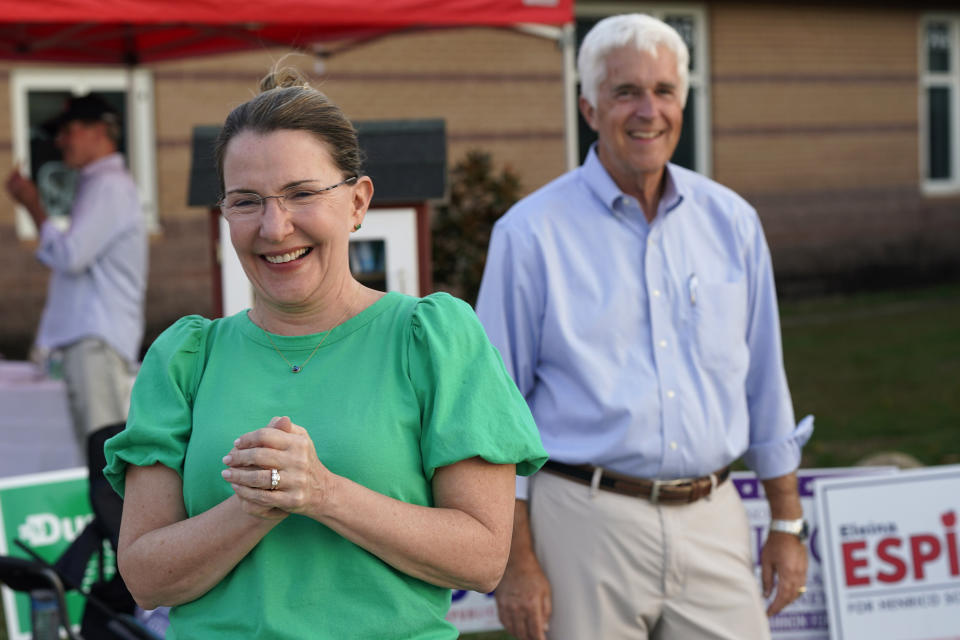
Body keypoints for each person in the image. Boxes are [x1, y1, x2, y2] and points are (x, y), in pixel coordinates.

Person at [102, 68, 547, 639]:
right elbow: (145, 578)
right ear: (225, 216)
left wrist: (324, 492)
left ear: (358, 202)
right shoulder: (186, 358)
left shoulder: (431, 339)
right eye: (246, 201)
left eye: (302, 194)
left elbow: (482, 558)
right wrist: (254, 506)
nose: (274, 226)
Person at [475, 14, 813, 640]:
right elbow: (497, 416)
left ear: (682, 102)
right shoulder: (529, 235)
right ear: (589, 107)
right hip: (583, 522)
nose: (647, 110)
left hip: (715, 516)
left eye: (663, 91)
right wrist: (517, 562)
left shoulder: (733, 223)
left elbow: (766, 382)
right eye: (625, 92)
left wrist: (787, 524)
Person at [5, 93, 148, 455]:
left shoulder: (109, 185)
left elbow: (70, 256)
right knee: (98, 446)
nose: (60, 141)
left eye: (69, 130)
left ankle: (113, 515)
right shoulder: (99, 183)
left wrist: (34, 206)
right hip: (92, 337)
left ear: (99, 131)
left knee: (103, 448)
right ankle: (108, 514)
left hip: (96, 338)